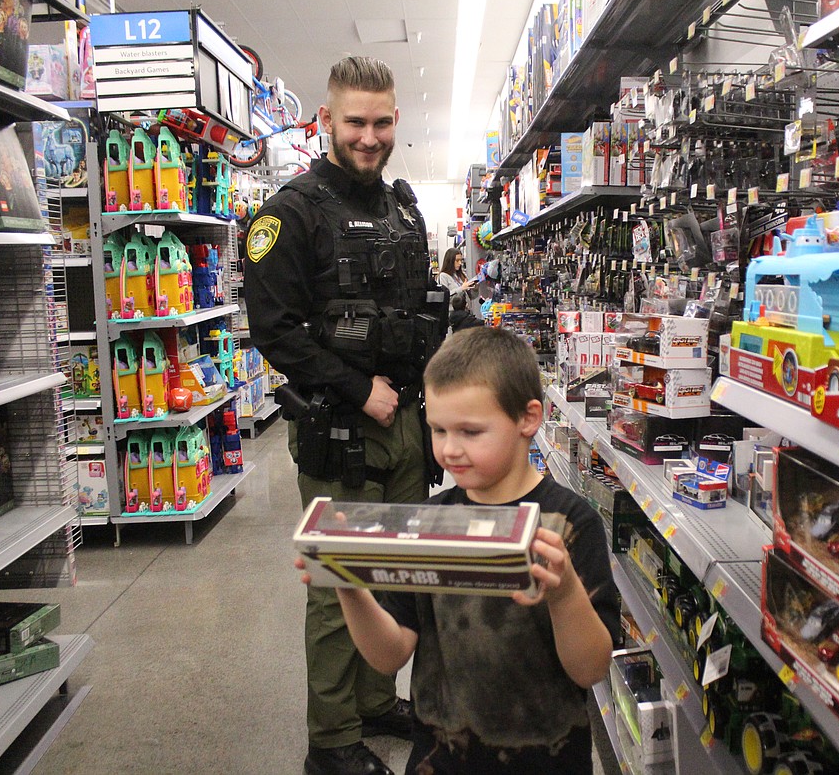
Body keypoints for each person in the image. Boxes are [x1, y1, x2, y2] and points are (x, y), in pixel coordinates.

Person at [244, 55, 447, 775]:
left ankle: (371, 702)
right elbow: (275, 328)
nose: (369, 136)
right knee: (340, 589)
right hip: (340, 431)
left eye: (382, 121)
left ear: (397, 120)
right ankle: (330, 742)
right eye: (355, 122)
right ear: (326, 120)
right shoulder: (289, 213)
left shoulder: (402, 207)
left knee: (393, 578)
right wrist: (358, 390)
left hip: (407, 429)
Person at [302, 326, 620, 774]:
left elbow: (590, 669)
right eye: (437, 429)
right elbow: (391, 654)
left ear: (529, 419)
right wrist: (349, 586)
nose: (449, 449)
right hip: (440, 758)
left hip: (546, 759)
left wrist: (565, 593)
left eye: (471, 432)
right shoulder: (428, 522)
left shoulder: (569, 524)